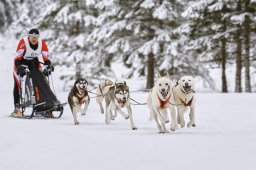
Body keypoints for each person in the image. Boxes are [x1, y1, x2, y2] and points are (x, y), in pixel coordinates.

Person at [11, 28, 52, 118]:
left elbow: (46, 58)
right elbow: (17, 59)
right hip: (20, 63)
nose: (34, 39)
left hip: (34, 63)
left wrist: (49, 64)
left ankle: (42, 104)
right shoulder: (23, 42)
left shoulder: (42, 43)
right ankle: (17, 107)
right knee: (18, 84)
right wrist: (19, 67)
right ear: (28, 37)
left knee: (40, 81)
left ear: (38, 37)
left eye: (36, 37)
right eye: (32, 37)